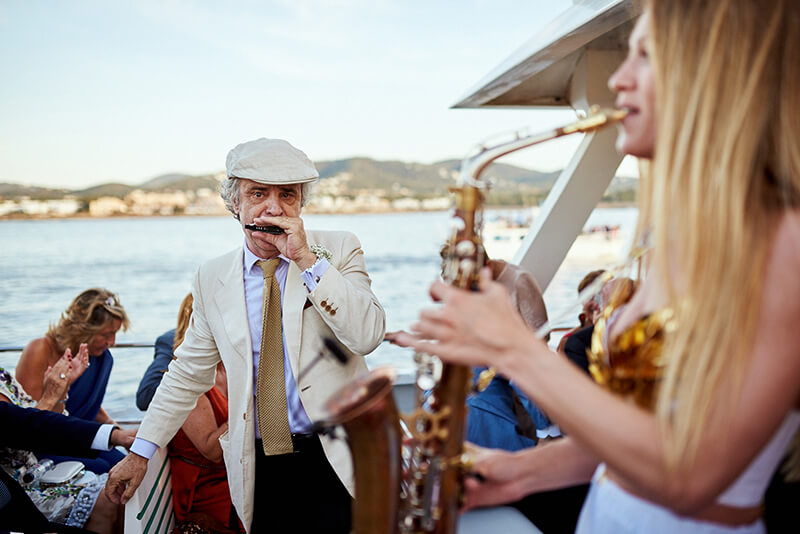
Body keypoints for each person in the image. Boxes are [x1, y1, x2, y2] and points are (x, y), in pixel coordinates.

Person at [396, 2, 800, 533]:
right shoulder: (677, 238)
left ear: (719, 75)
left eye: (647, 56)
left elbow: (693, 474)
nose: (618, 79)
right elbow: (641, 435)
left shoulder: (785, 241)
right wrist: (517, 473)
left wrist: (511, 349)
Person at [107, 137, 386, 533]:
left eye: (287, 194)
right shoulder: (212, 277)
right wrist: (140, 453)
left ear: (301, 203)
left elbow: (367, 335)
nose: (273, 207)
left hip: (340, 457)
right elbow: (186, 373)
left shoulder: (338, 249)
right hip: (258, 464)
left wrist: (305, 260)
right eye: (258, 193)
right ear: (234, 203)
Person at [136, 293, 242, 533]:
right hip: (210, 489)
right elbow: (212, 451)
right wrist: (248, 408)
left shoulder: (227, 366)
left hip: (232, 473)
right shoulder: (190, 381)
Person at [0, 364, 135, 533]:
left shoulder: (3, 375)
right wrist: (51, 396)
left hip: (35, 478)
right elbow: (24, 433)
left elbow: (33, 422)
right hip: (19, 493)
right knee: (111, 498)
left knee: (121, 491)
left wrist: (115, 435)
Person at [14, 288, 130, 473]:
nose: (112, 342)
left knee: (124, 464)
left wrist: (120, 433)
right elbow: (28, 418)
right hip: (44, 443)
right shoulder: (40, 349)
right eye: (106, 335)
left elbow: (90, 404)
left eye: (115, 333)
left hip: (81, 436)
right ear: (83, 330)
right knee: (102, 468)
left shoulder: (102, 358)